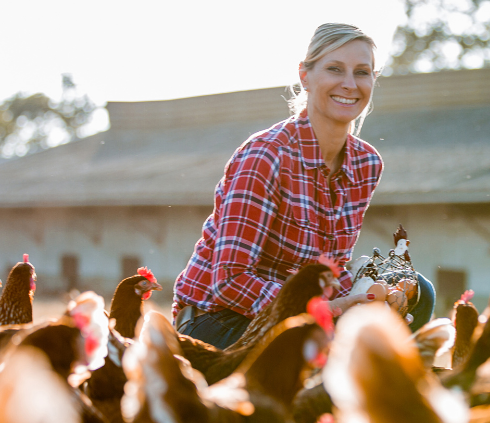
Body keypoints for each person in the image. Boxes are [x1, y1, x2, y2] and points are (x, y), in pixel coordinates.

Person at [172, 23, 433, 349]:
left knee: (417, 290)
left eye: (362, 72)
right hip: (220, 321)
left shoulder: (366, 163)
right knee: (338, 355)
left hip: (298, 315)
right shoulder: (267, 155)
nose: (349, 84)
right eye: (335, 69)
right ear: (305, 76)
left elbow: (331, 269)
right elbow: (230, 282)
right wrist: (329, 311)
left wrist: (368, 301)